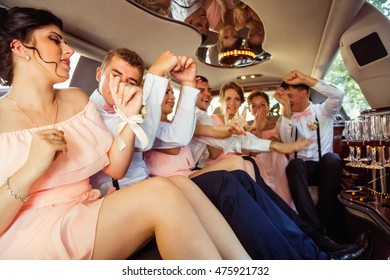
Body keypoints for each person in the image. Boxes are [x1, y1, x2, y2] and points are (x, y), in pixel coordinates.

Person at [0, 6, 252, 260]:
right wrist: (30, 169)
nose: (69, 50)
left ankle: (243, 266)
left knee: (178, 183)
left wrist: (130, 117)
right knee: (160, 192)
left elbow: (116, 168)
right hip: (32, 233)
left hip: (84, 209)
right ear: (20, 48)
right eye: (55, 40)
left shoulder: (75, 99)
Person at [143, 78, 368, 259]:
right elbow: (192, 141)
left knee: (243, 171)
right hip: (175, 184)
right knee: (234, 174)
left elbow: (223, 138)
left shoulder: (182, 125)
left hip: (193, 176)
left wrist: (271, 142)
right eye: (167, 92)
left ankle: (314, 239)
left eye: (173, 92)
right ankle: (314, 254)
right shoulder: (157, 126)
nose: (173, 96)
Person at [90, 49, 198, 193]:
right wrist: (156, 73)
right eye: (115, 75)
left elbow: (179, 137)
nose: (122, 84)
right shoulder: (85, 112)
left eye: (131, 81)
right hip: (116, 196)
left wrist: (188, 83)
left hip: (146, 186)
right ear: (99, 74)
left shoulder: (134, 111)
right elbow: (143, 140)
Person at [274, 69, 351, 245]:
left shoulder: (323, 112)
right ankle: (316, 230)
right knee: (294, 164)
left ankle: (326, 219)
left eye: (290, 96)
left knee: (331, 158)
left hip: (323, 168)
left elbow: (338, 94)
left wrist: (306, 79)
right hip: (300, 173)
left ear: (304, 93)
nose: (288, 100)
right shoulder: (285, 118)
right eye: (285, 97)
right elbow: (286, 144)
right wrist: (286, 110)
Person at [246, 90, 295, 210]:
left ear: (268, 107)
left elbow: (288, 148)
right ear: (250, 109)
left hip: (277, 161)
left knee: (277, 155)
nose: (259, 108)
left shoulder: (277, 125)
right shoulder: (246, 129)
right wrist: (258, 130)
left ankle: (286, 205)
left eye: (262, 104)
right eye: (254, 105)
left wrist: (277, 143)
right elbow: (251, 154)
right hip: (259, 163)